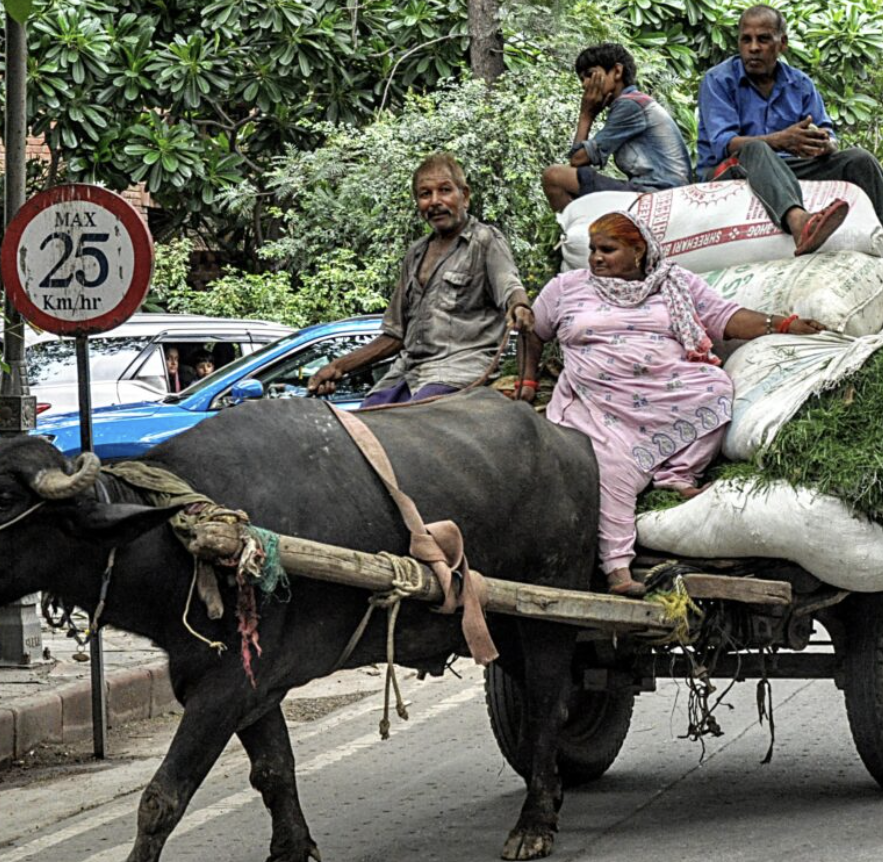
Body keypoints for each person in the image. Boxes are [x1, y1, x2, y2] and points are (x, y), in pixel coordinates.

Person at [510, 211, 824, 597]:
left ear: (638, 251)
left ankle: (676, 473)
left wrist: (784, 324)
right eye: (592, 250)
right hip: (597, 401)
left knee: (715, 388)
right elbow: (533, 332)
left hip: (667, 393)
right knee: (610, 468)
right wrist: (526, 380)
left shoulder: (674, 283)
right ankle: (618, 569)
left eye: (607, 249)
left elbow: (724, 317)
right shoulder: (565, 288)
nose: (595, 258)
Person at [307, 152, 529, 405]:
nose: (435, 201)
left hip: (458, 372)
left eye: (445, 190)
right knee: (364, 422)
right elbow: (395, 334)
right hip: (407, 373)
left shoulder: (485, 241)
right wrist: (338, 367)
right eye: (425, 194)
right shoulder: (416, 254)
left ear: (464, 196)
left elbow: (509, 285)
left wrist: (519, 305)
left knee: (411, 425)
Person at [697, 4, 883, 255]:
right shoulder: (718, 80)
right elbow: (724, 144)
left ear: (782, 43)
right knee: (756, 148)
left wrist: (823, 144)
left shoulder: (800, 84)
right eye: (746, 40)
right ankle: (800, 223)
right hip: (727, 168)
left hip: (782, 167)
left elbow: (829, 135)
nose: (753, 47)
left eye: (763, 39)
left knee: (859, 159)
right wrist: (781, 140)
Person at [542, 43, 692, 214]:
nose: (585, 85)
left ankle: (575, 236)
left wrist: (586, 115)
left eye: (590, 75)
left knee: (554, 176)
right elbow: (577, 165)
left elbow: (578, 160)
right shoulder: (632, 102)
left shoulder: (630, 104)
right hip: (657, 191)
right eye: (582, 79)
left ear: (617, 72)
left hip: (658, 193)